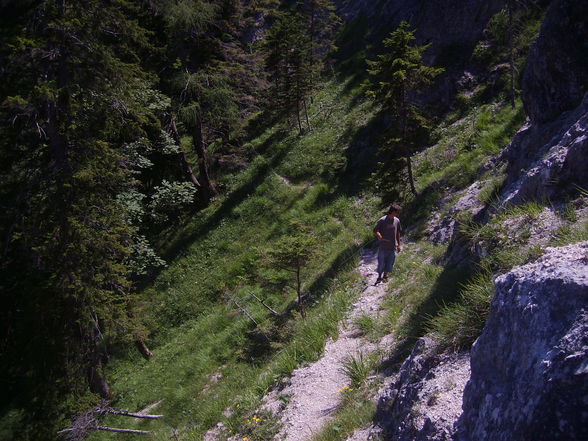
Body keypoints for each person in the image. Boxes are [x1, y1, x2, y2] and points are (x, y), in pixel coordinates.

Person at [373, 204, 402, 284]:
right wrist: (378, 234)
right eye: (397, 212)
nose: (398, 214)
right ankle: (379, 277)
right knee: (381, 263)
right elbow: (375, 229)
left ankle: (385, 276)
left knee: (390, 263)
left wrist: (399, 244)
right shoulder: (382, 220)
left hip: (392, 247)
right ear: (392, 211)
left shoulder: (397, 221)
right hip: (383, 247)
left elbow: (398, 233)